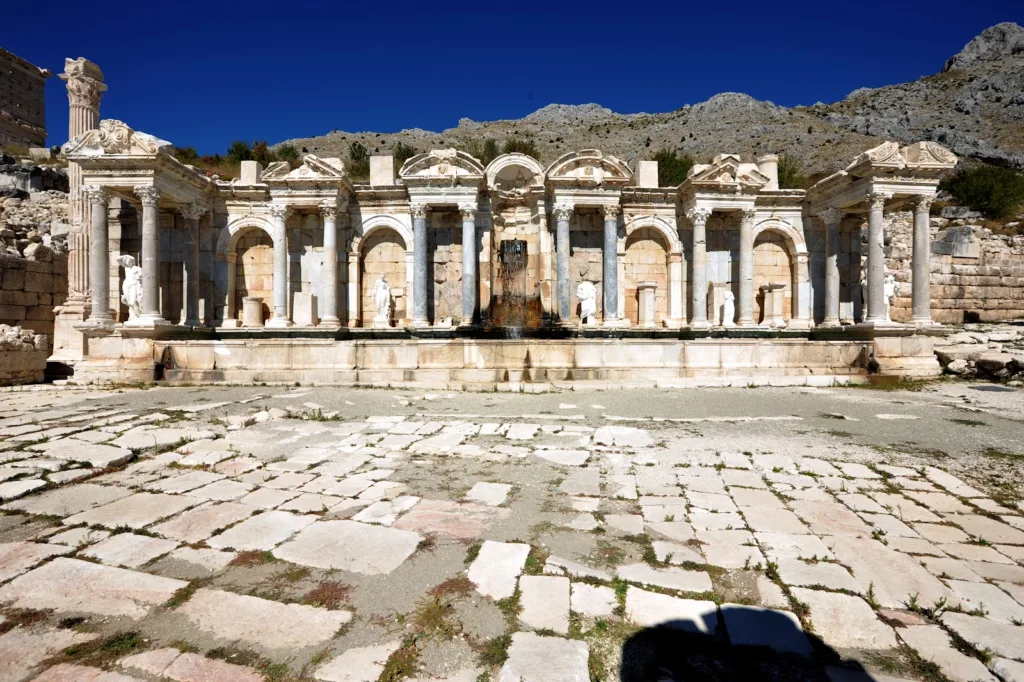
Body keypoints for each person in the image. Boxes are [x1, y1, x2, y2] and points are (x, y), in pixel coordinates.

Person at [116, 255, 142, 320]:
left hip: (134, 285)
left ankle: (139, 316)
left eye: (129, 260)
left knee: (133, 302)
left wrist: (139, 289)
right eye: (126, 261)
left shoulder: (138, 268)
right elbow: (118, 259)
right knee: (129, 302)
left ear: (132, 261)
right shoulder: (126, 268)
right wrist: (126, 256)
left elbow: (141, 279)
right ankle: (133, 316)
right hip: (126, 285)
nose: (127, 262)